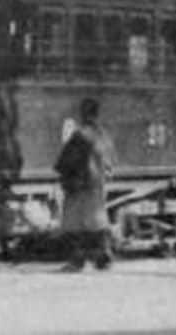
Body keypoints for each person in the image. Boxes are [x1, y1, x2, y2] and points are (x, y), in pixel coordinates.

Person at [54, 98, 115, 271]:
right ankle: (104, 256)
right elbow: (109, 159)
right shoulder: (102, 133)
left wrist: (65, 176)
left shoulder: (80, 135)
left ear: (83, 113)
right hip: (97, 184)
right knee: (98, 221)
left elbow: (66, 161)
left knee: (75, 223)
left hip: (80, 185)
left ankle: (77, 260)